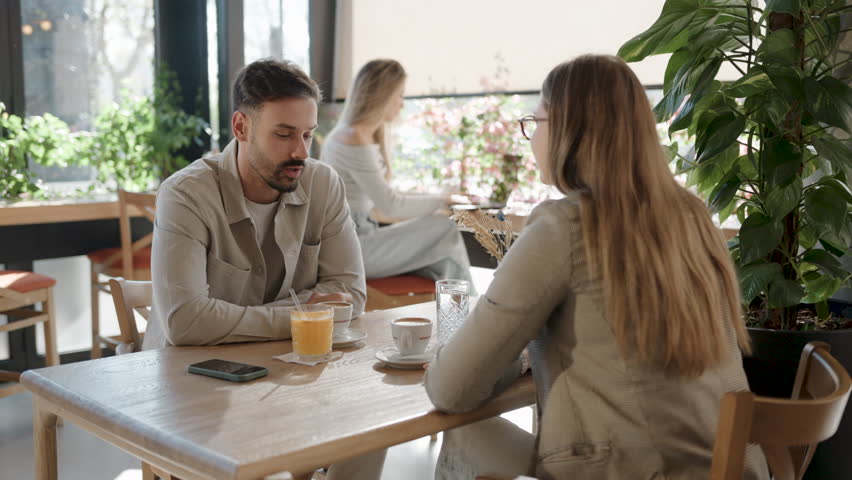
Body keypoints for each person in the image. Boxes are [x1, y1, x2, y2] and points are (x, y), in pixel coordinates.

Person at [424, 55, 769, 480]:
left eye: (537, 121)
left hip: (639, 469)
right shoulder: (694, 216)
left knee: (465, 432)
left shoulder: (563, 226)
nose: (531, 138)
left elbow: (451, 389)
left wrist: (464, 357)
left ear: (569, 130)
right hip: (730, 467)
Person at [145, 58, 383, 480]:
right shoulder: (186, 194)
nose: (300, 152)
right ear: (241, 128)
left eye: (308, 135)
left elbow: (351, 293)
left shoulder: (322, 184)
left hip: (288, 376)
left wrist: (256, 320)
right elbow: (185, 322)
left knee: (373, 429)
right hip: (197, 384)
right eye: (284, 134)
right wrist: (303, 316)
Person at [320, 59, 475, 288]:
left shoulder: (353, 135)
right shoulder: (353, 138)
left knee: (443, 253)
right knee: (445, 228)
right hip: (353, 248)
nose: (402, 103)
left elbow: (386, 197)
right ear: (383, 95)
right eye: (399, 95)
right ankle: (470, 308)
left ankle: (459, 312)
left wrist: (440, 200)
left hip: (359, 239)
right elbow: (389, 205)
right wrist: (442, 201)